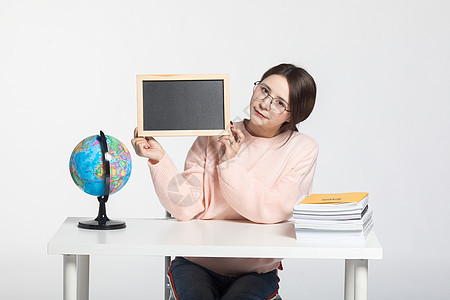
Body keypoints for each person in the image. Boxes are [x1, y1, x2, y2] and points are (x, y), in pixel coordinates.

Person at [131, 63, 319, 300]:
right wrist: (159, 160)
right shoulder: (216, 133)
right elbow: (185, 207)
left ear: (295, 115)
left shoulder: (301, 148)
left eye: (280, 103)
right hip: (196, 262)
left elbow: (270, 210)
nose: (265, 103)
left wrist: (229, 164)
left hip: (255, 270)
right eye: (264, 90)